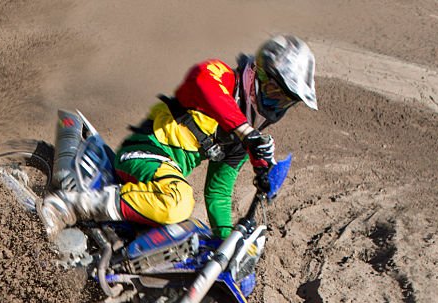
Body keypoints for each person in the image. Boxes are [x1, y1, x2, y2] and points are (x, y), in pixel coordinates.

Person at [38, 35, 317, 240]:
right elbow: (201, 83)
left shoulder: (239, 139)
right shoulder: (221, 77)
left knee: (182, 240)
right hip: (145, 152)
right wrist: (246, 132)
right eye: (274, 90)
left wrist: (226, 242)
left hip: (161, 175)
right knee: (180, 201)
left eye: (285, 100)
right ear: (256, 72)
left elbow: (219, 193)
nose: (275, 103)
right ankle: (68, 206)